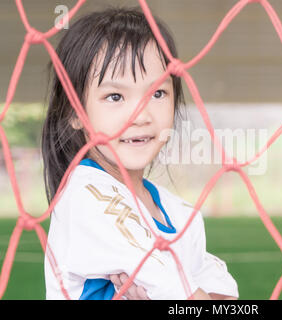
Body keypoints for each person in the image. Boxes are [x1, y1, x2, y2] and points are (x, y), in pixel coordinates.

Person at [42, 6, 238, 300]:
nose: (140, 115)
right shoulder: (85, 198)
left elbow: (227, 298)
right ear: (74, 111)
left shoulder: (179, 212)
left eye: (157, 93)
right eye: (115, 96)